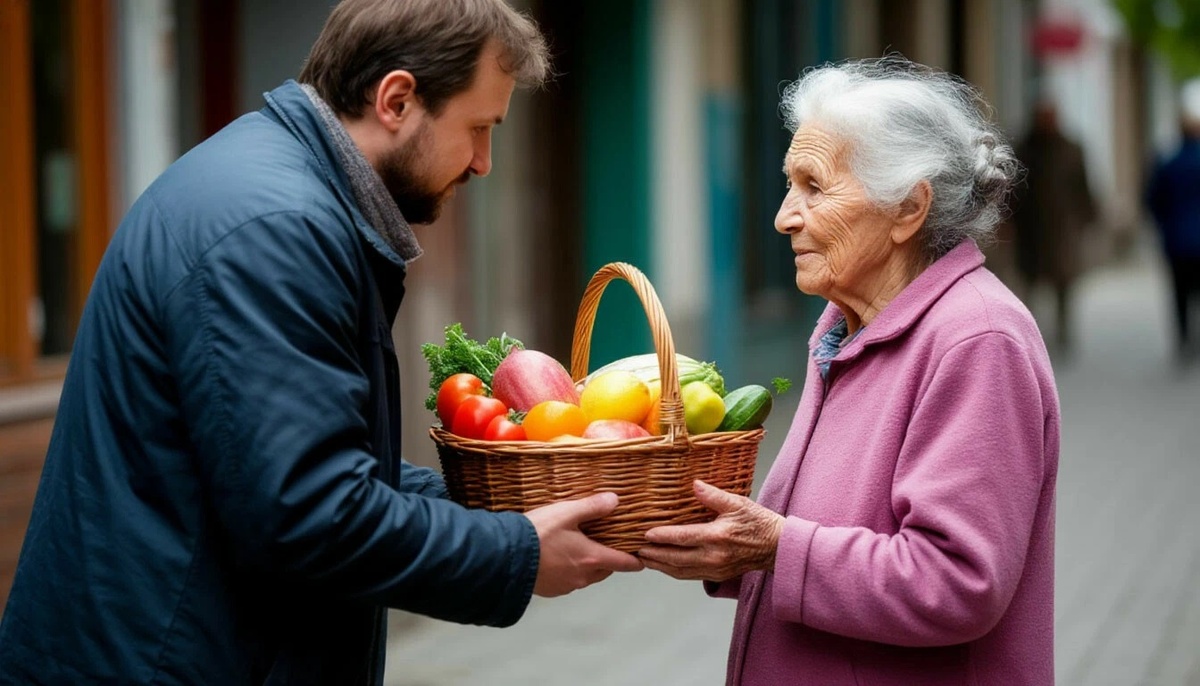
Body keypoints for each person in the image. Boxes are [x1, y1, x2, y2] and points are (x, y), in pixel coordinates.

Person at [0, 1, 642, 683]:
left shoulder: (278, 193)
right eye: (478, 128)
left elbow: (307, 467)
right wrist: (517, 554)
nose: (484, 162)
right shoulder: (274, 230)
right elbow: (308, 511)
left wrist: (497, 499)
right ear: (396, 100)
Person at [639, 56, 1059, 685]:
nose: (784, 216)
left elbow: (958, 581)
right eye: (789, 184)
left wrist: (776, 547)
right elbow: (822, 526)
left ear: (908, 208)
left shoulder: (977, 340)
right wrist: (728, 546)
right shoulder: (847, 324)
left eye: (814, 186)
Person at [1010, 99, 1098, 353]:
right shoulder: (1024, 149)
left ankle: (1063, 332)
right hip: (1031, 230)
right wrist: (1007, 221)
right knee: (1030, 283)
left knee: (1064, 284)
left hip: (1063, 229)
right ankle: (1030, 334)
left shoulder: (1071, 149)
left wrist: (1087, 218)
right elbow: (1013, 191)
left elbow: (1083, 186)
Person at [1145, 108, 1200, 362]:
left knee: (1180, 292)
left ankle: (1184, 339)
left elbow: (1152, 200)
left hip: (1177, 240)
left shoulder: (1168, 163)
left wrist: (1164, 224)